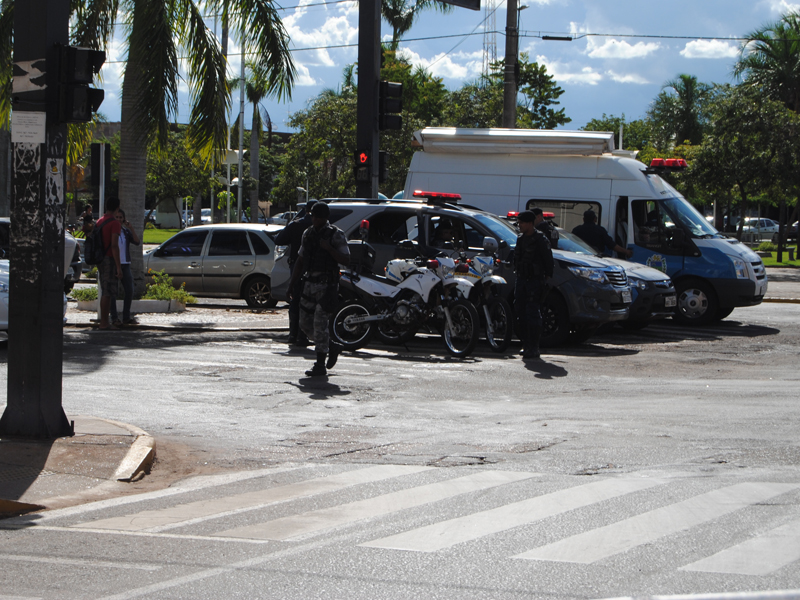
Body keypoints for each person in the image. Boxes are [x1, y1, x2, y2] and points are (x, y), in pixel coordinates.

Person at [287, 202, 350, 377]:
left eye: (317, 216)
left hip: (327, 285)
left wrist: (329, 249)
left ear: (324, 217)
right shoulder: (308, 234)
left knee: (320, 323)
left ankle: (320, 364)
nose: (313, 219)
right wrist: (291, 285)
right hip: (309, 283)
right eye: (312, 215)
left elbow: (346, 259)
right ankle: (332, 346)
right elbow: (300, 261)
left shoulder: (336, 235)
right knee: (305, 323)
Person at [275, 200, 316, 346]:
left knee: (295, 300)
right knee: (311, 302)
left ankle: (294, 334)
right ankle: (303, 335)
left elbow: (279, 240)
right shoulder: (321, 227)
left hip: (296, 267)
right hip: (314, 268)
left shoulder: (296, 224)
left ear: (305, 211)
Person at [514, 210, 554, 360]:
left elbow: (548, 260)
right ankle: (525, 344)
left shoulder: (540, 239)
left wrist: (546, 278)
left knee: (533, 313)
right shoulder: (520, 239)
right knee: (520, 313)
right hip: (522, 280)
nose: (520, 226)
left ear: (530, 223)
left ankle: (534, 346)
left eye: (522, 223)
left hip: (534, 281)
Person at [95, 197, 123, 330]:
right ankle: (104, 323)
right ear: (117, 208)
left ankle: (105, 321)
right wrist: (118, 266)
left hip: (100, 258)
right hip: (108, 259)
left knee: (105, 289)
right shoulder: (115, 223)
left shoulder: (99, 221)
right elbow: (114, 245)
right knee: (107, 291)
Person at [110, 209, 141, 326]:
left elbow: (137, 242)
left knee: (129, 290)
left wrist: (131, 228)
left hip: (125, 263)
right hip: (113, 264)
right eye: (116, 217)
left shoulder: (125, 232)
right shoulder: (112, 231)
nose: (118, 219)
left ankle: (126, 316)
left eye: (120, 217)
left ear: (124, 219)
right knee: (112, 291)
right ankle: (114, 317)